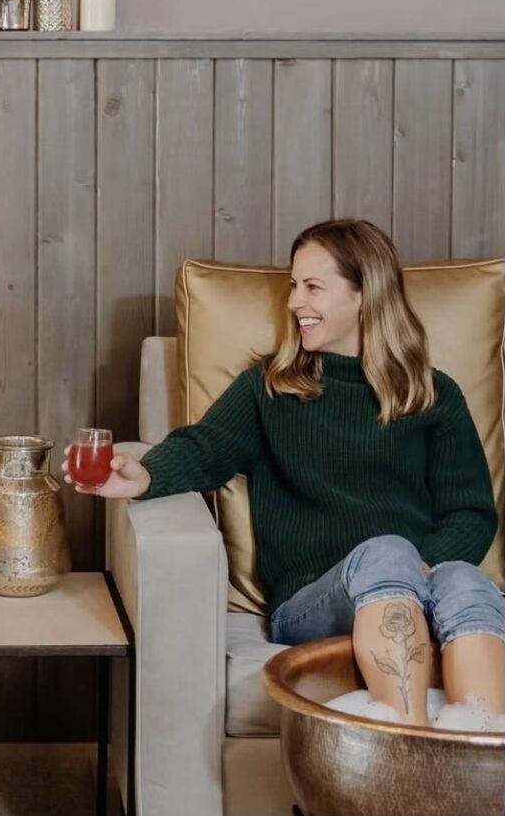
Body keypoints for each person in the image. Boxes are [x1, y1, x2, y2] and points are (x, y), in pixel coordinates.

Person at [64, 218, 505, 727]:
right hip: (309, 604)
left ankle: (476, 754)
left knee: (467, 582)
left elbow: (470, 510)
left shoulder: (432, 394)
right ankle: (403, 744)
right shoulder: (270, 388)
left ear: (365, 295)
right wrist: (142, 475)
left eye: (312, 287)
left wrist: (423, 570)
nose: (294, 302)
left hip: (411, 587)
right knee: (388, 552)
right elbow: (205, 447)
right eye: (294, 286)